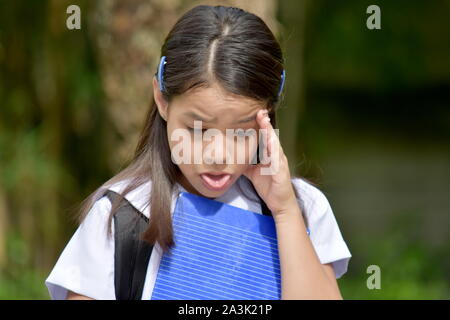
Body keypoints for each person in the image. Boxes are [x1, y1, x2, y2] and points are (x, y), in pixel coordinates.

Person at [45, 4, 351, 300]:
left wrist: (285, 212)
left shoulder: (303, 207)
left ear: (267, 113)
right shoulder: (123, 214)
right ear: (162, 101)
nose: (218, 154)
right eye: (197, 130)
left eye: (241, 129)